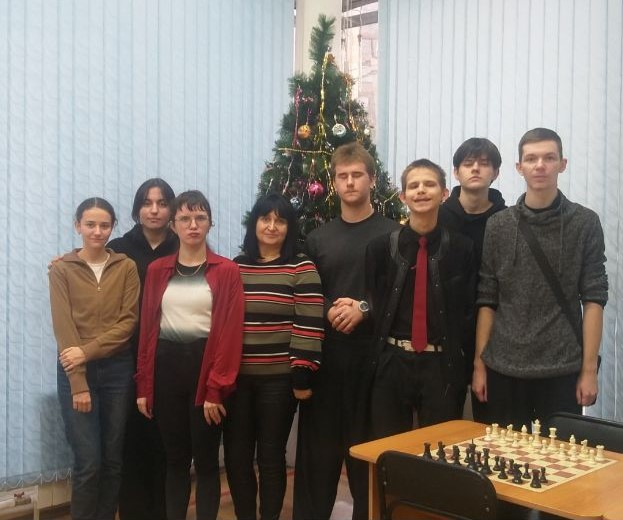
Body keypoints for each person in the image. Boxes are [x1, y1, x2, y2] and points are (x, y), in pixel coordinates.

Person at [472, 128, 608, 430]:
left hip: (562, 368)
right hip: (503, 367)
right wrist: (479, 365)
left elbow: (594, 299)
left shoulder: (585, 223)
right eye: (531, 159)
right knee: (505, 455)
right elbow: (487, 299)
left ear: (562, 164)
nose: (540, 165)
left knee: (559, 456)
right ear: (519, 167)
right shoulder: (498, 225)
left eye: (549, 158)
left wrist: (589, 370)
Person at [293, 142, 400, 520]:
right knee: (317, 457)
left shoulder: (393, 234)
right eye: (343, 176)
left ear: (372, 179)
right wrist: (329, 310)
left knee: (367, 457)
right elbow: (306, 292)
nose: (350, 182)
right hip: (326, 360)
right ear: (334, 182)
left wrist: (364, 309)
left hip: (373, 363)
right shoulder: (318, 238)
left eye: (357, 175)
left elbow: (399, 295)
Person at [135, 190, 245, 520]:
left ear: (210, 223)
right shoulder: (157, 270)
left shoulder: (226, 270)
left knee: (207, 462)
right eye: (185, 218)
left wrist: (216, 388)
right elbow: (148, 330)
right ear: (173, 225)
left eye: (200, 218)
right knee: (175, 461)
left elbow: (230, 333)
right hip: (166, 372)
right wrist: (143, 385)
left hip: (205, 372)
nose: (193, 225)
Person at [224, 193, 323, 520]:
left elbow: (309, 321)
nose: (271, 226)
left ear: (289, 227)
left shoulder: (301, 266)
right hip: (236, 381)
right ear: (254, 224)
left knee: (270, 458)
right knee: (237, 457)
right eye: (265, 219)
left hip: (278, 382)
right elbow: (223, 320)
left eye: (280, 220)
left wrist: (301, 374)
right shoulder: (236, 266)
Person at [366, 159, 476, 439]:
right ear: (403, 196)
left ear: (444, 193)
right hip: (392, 361)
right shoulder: (380, 248)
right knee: (388, 448)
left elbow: (469, 311)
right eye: (413, 186)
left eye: (429, 184)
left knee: (439, 450)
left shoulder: (463, 249)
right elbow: (373, 302)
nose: (421, 190)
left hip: (441, 364)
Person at [49, 197, 140, 520]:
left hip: (117, 370)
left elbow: (127, 323)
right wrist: (78, 382)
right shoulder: (61, 269)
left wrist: (86, 351)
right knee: (88, 463)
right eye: (90, 224)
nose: (97, 231)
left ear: (112, 227)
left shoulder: (126, 267)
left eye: (104, 225)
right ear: (78, 226)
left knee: (113, 461)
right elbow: (63, 326)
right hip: (75, 371)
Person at [108, 178, 178, 520]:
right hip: (126, 356)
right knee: (130, 442)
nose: (154, 210)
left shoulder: (183, 246)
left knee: (165, 443)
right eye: (147, 203)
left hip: (170, 358)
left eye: (162, 203)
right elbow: (90, 271)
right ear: (137, 208)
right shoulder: (119, 247)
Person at [438, 138, 506, 421]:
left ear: (496, 172)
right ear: (456, 172)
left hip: (497, 332)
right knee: (442, 425)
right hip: (444, 332)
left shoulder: (507, 220)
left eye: (484, 163)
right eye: (468, 163)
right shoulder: (437, 217)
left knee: (492, 424)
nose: (476, 168)